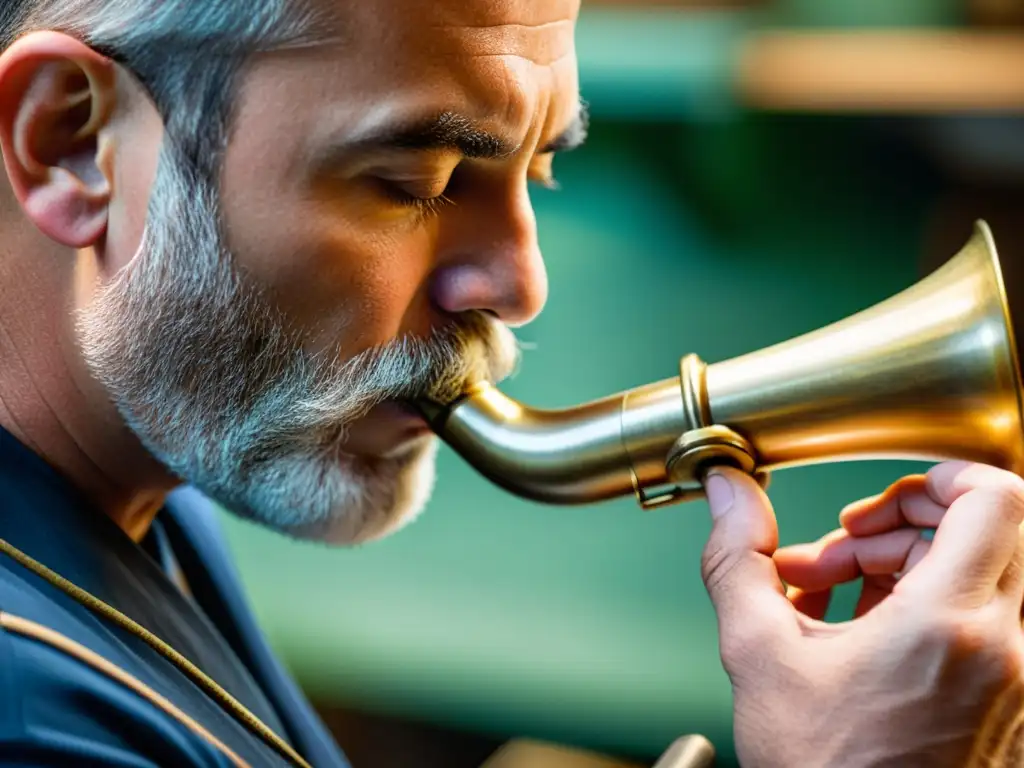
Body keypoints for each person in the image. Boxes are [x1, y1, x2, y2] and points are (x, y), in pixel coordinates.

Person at [0, 0, 1019, 765]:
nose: (519, 286)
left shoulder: (144, 479)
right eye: (416, 183)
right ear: (69, 142)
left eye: (536, 170)